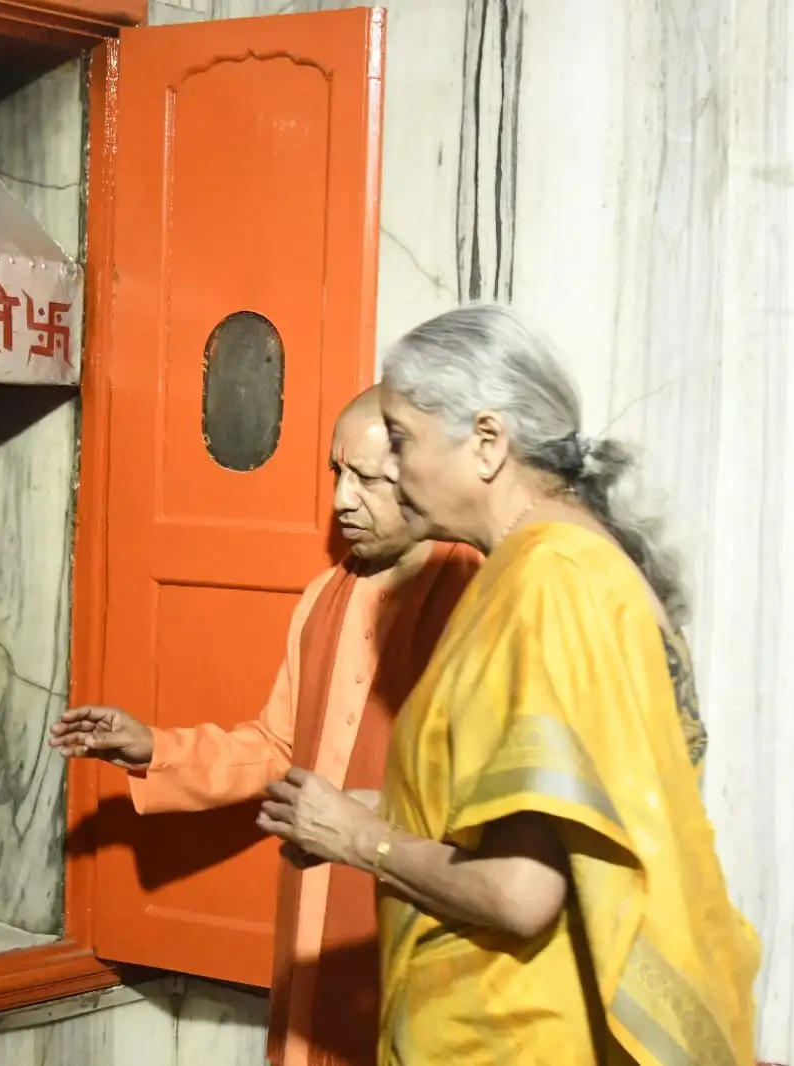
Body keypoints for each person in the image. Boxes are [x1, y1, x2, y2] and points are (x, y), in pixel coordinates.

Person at [259, 304, 758, 1065]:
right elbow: (539, 826)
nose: (387, 471)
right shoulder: (566, 564)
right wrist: (390, 805)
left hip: (514, 1035)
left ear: (487, 443)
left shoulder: (546, 583)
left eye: (399, 440)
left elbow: (519, 894)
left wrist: (359, 838)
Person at [49, 387, 481, 1066]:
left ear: (424, 477)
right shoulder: (326, 595)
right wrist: (152, 747)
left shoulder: (477, 597)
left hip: (417, 916)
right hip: (314, 910)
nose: (342, 500)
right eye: (337, 474)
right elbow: (279, 747)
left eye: (367, 479)